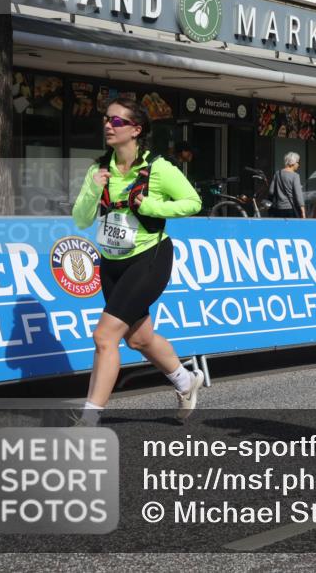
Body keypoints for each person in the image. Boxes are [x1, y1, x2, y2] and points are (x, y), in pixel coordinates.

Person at [71, 98, 203, 425]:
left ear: (136, 130)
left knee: (104, 336)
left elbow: (193, 202)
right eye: (106, 120)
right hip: (112, 262)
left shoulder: (159, 168)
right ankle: (186, 381)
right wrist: (92, 191)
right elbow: (80, 219)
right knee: (138, 339)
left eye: (117, 121)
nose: (108, 125)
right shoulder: (98, 169)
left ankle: (88, 421)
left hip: (150, 257)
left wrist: (152, 207)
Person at [268, 152, 306, 218]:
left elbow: (271, 191)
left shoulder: (277, 174)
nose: (298, 165)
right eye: (298, 162)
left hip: (278, 209)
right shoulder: (295, 176)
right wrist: (303, 211)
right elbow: (298, 195)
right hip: (291, 208)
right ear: (293, 163)